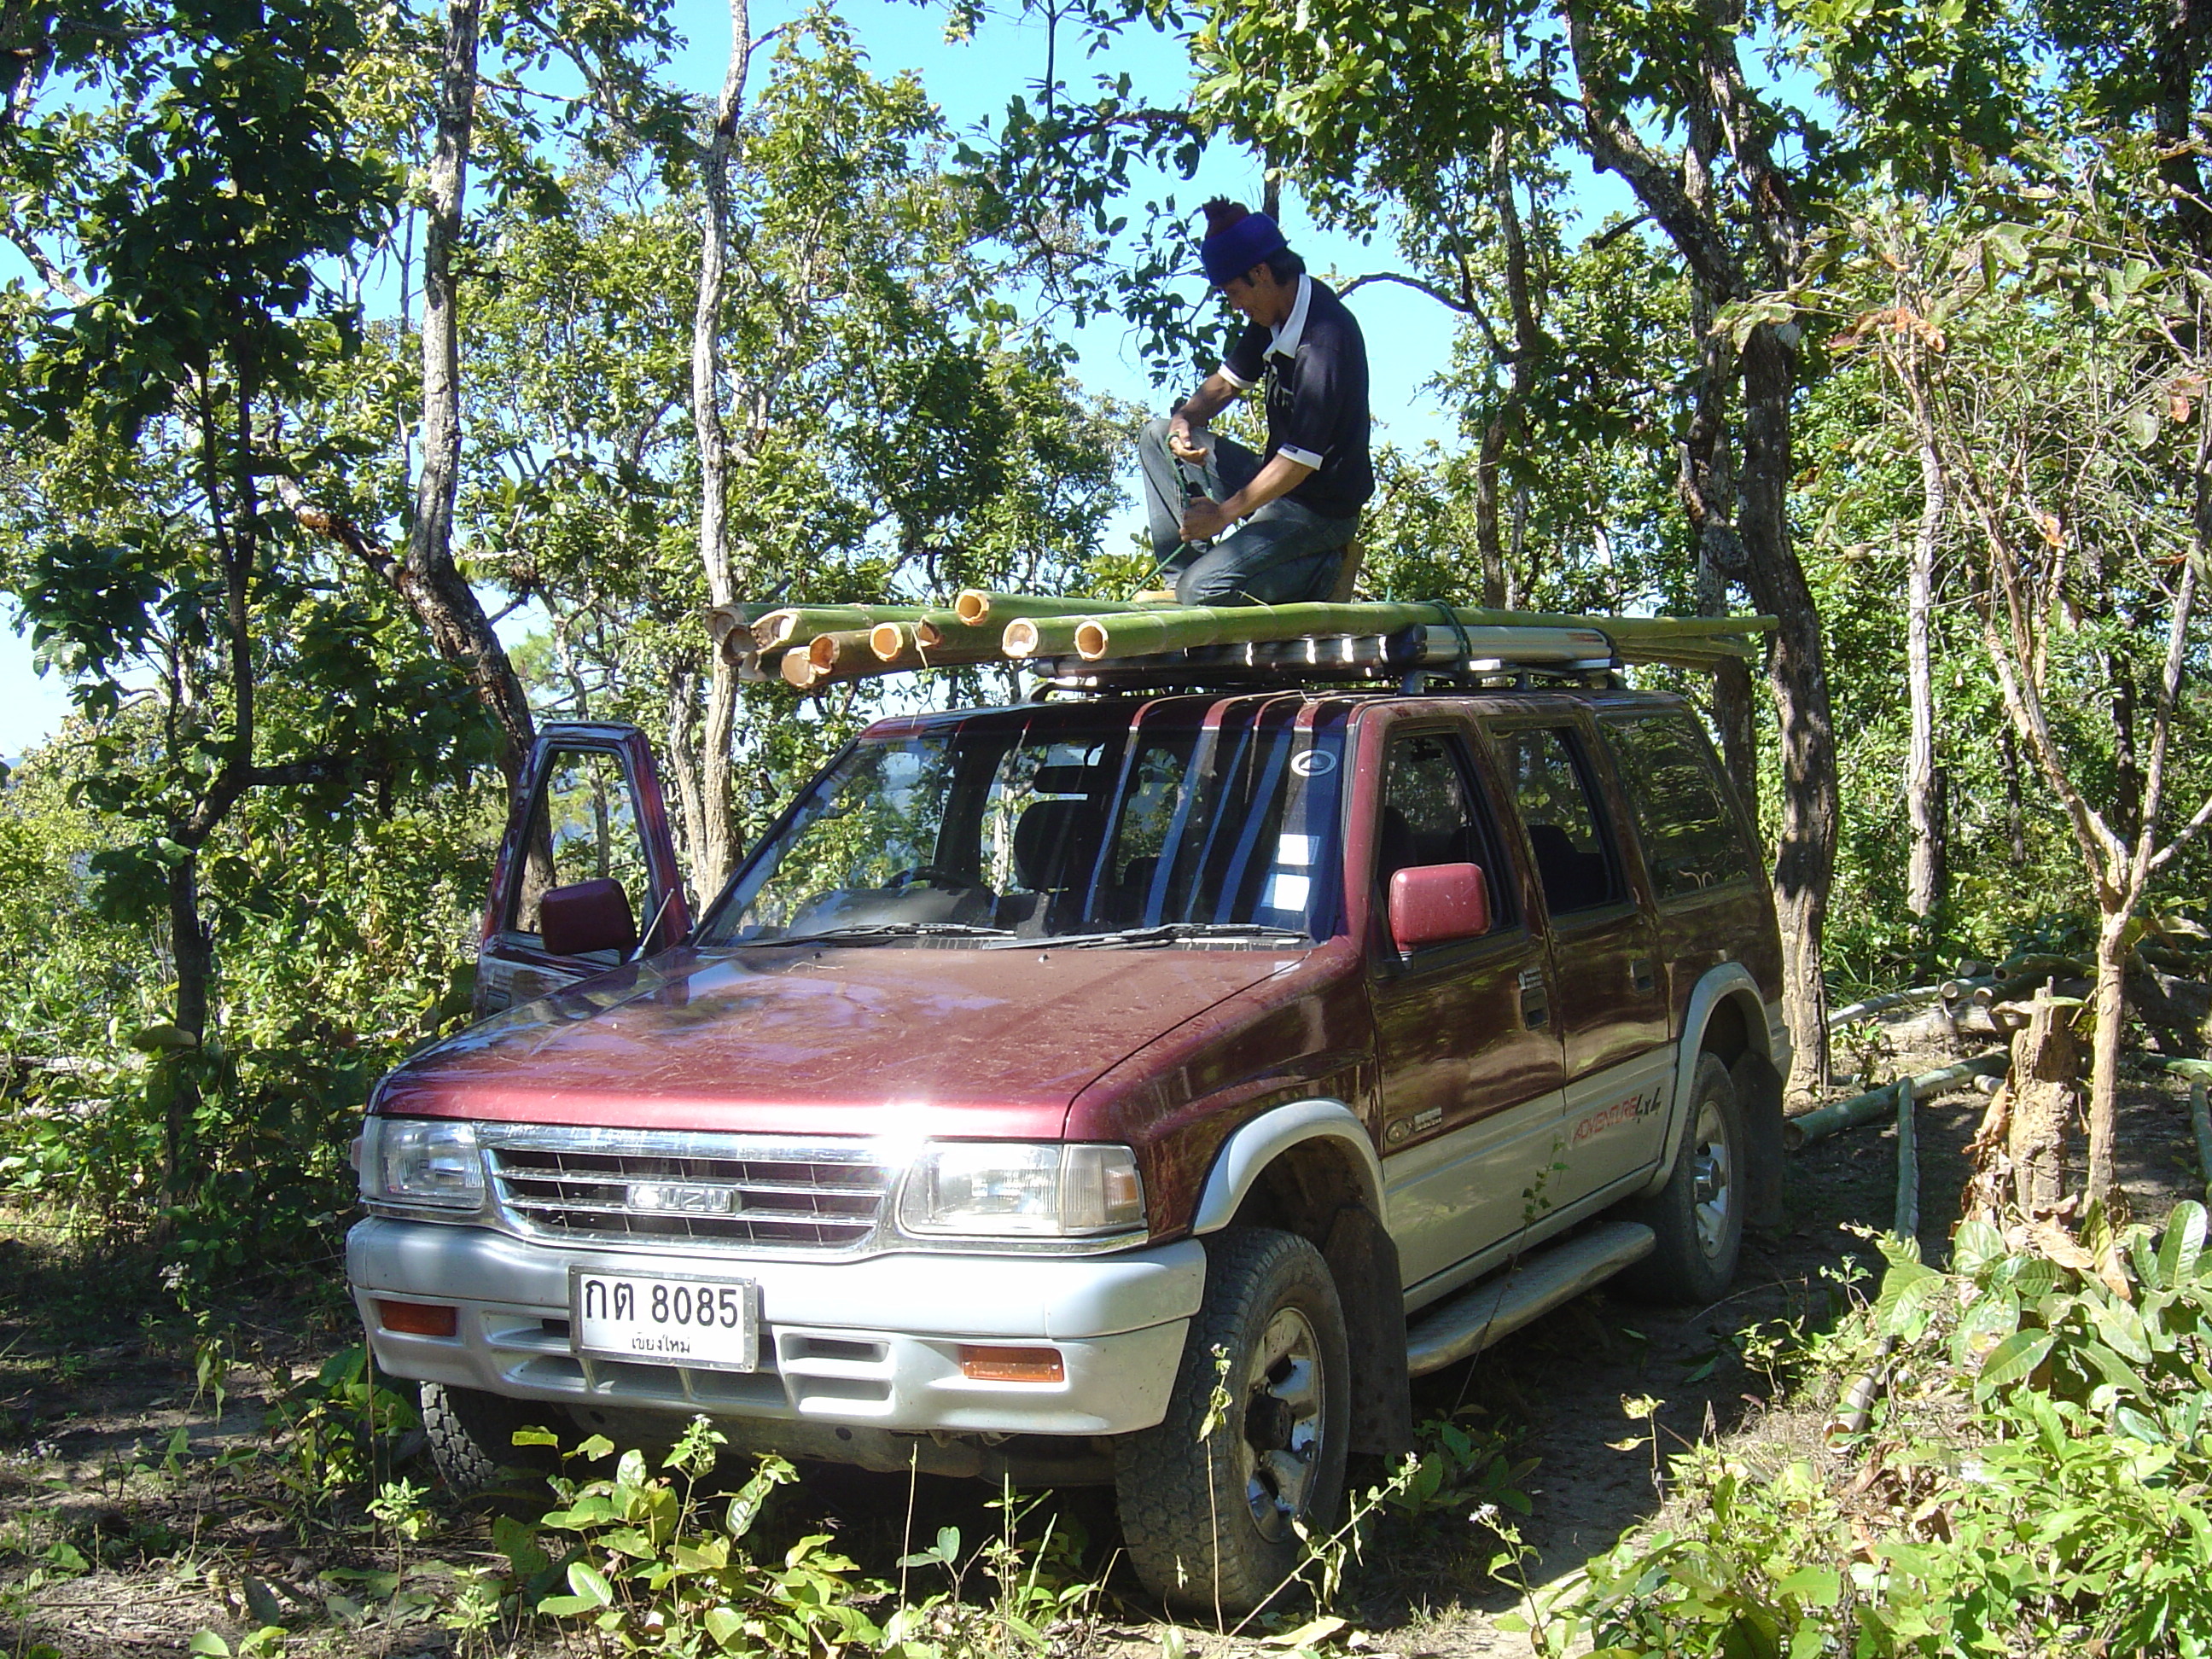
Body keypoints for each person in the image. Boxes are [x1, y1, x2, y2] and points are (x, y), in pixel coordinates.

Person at [1138, 199, 1373, 607]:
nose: (1234, 305)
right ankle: (1181, 583)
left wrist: (1223, 514)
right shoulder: (1276, 314)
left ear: (1261, 273)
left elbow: (1299, 462)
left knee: (1204, 591)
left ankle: (1320, 571)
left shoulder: (1324, 340)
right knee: (1156, 436)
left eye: (1233, 292)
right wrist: (1184, 421)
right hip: (1276, 486)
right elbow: (1226, 384)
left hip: (1318, 513)